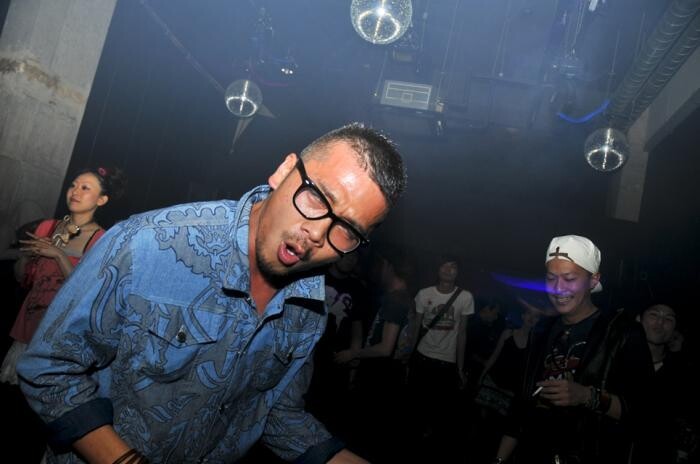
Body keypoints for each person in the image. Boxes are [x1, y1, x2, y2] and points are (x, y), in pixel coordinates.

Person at [17, 123, 406, 464]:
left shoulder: (309, 308)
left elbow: (274, 412)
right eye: (318, 197)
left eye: (347, 230)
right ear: (284, 171)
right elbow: (50, 369)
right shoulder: (148, 245)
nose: (318, 233)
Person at [492, 235, 654, 464]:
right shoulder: (542, 331)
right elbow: (521, 408)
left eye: (569, 278)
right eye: (551, 278)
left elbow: (645, 413)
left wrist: (587, 396)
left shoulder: (622, 333)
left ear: (593, 280)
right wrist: (499, 460)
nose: (558, 289)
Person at [0, 167, 125, 385]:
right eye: (73, 185)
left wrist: (58, 255)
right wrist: (29, 258)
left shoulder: (102, 240)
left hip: (61, 332)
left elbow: (86, 292)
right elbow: (23, 277)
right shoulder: (47, 227)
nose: (75, 191)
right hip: (29, 322)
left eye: (85, 188)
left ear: (102, 199)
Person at [407, 256, 473, 448]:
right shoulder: (424, 293)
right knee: (416, 404)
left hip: (446, 362)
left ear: (458, 272)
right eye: (444, 265)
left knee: (438, 408)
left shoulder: (465, 297)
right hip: (422, 356)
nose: (448, 269)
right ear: (437, 269)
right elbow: (416, 327)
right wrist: (409, 355)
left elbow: (462, 333)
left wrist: (460, 368)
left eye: (453, 267)